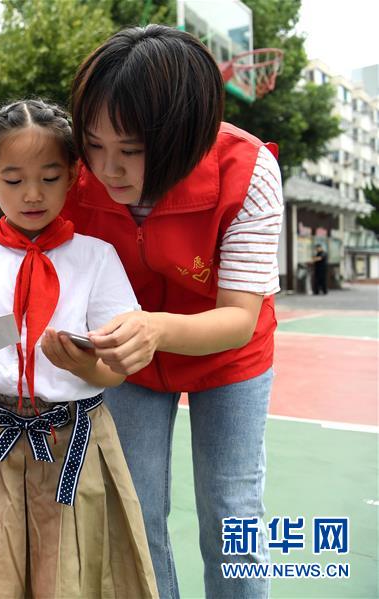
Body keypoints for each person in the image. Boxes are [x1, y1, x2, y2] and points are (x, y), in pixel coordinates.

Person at [61, 25, 284, 599]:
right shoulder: (75, 169)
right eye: (94, 144)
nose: (107, 170)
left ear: (186, 137)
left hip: (228, 358)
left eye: (131, 152)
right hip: (128, 358)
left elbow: (237, 316)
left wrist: (155, 329)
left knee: (231, 511)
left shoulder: (250, 171)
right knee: (132, 511)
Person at [0, 99, 157, 598]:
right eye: (13, 180)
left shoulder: (96, 258)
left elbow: (116, 372)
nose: (33, 194)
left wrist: (89, 367)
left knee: (74, 577)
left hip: (76, 434)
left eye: (50, 177)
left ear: (74, 173)